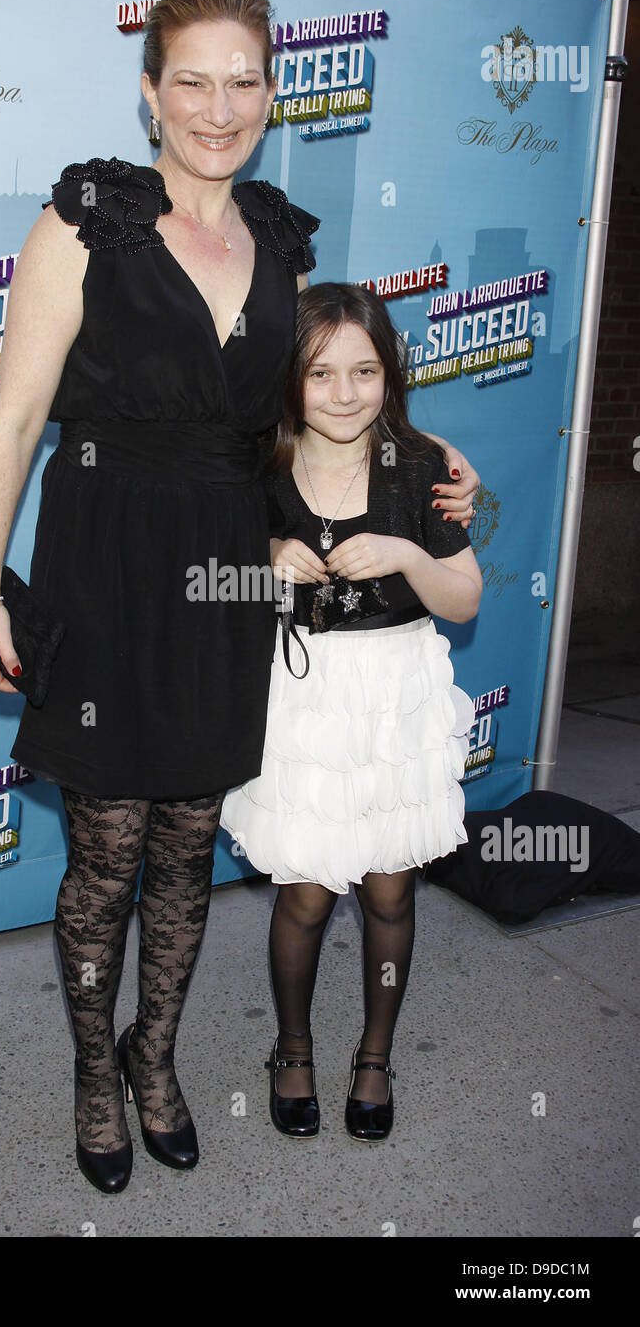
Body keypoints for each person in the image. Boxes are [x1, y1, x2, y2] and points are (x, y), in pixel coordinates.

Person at [0, 0, 481, 1194]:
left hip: (222, 581)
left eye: (242, 79)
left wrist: (432, 456)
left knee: (189, 851)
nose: (218, 104)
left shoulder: (280, 238)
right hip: (101, 568)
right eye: (190, 79)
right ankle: (98, 1076)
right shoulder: (87, 219)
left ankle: (159, 1062)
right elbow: (16, 415)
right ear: (151, 95)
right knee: (105, 858)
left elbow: (319, 411)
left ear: (270, 93)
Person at [220, 282, 482, 1143]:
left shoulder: (421, 471)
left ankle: (375, 1054)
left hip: (393, 698)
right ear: (287, 380)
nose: (343, 393)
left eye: (364, 371)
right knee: (300, 891)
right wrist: (262, 562)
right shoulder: (254, 465)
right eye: (320, 372)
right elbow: (207, 590)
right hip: (299, 698)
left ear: (389, 373)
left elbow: (463, 602)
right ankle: (290, 1047)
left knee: (389, 891)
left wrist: (408, 551)